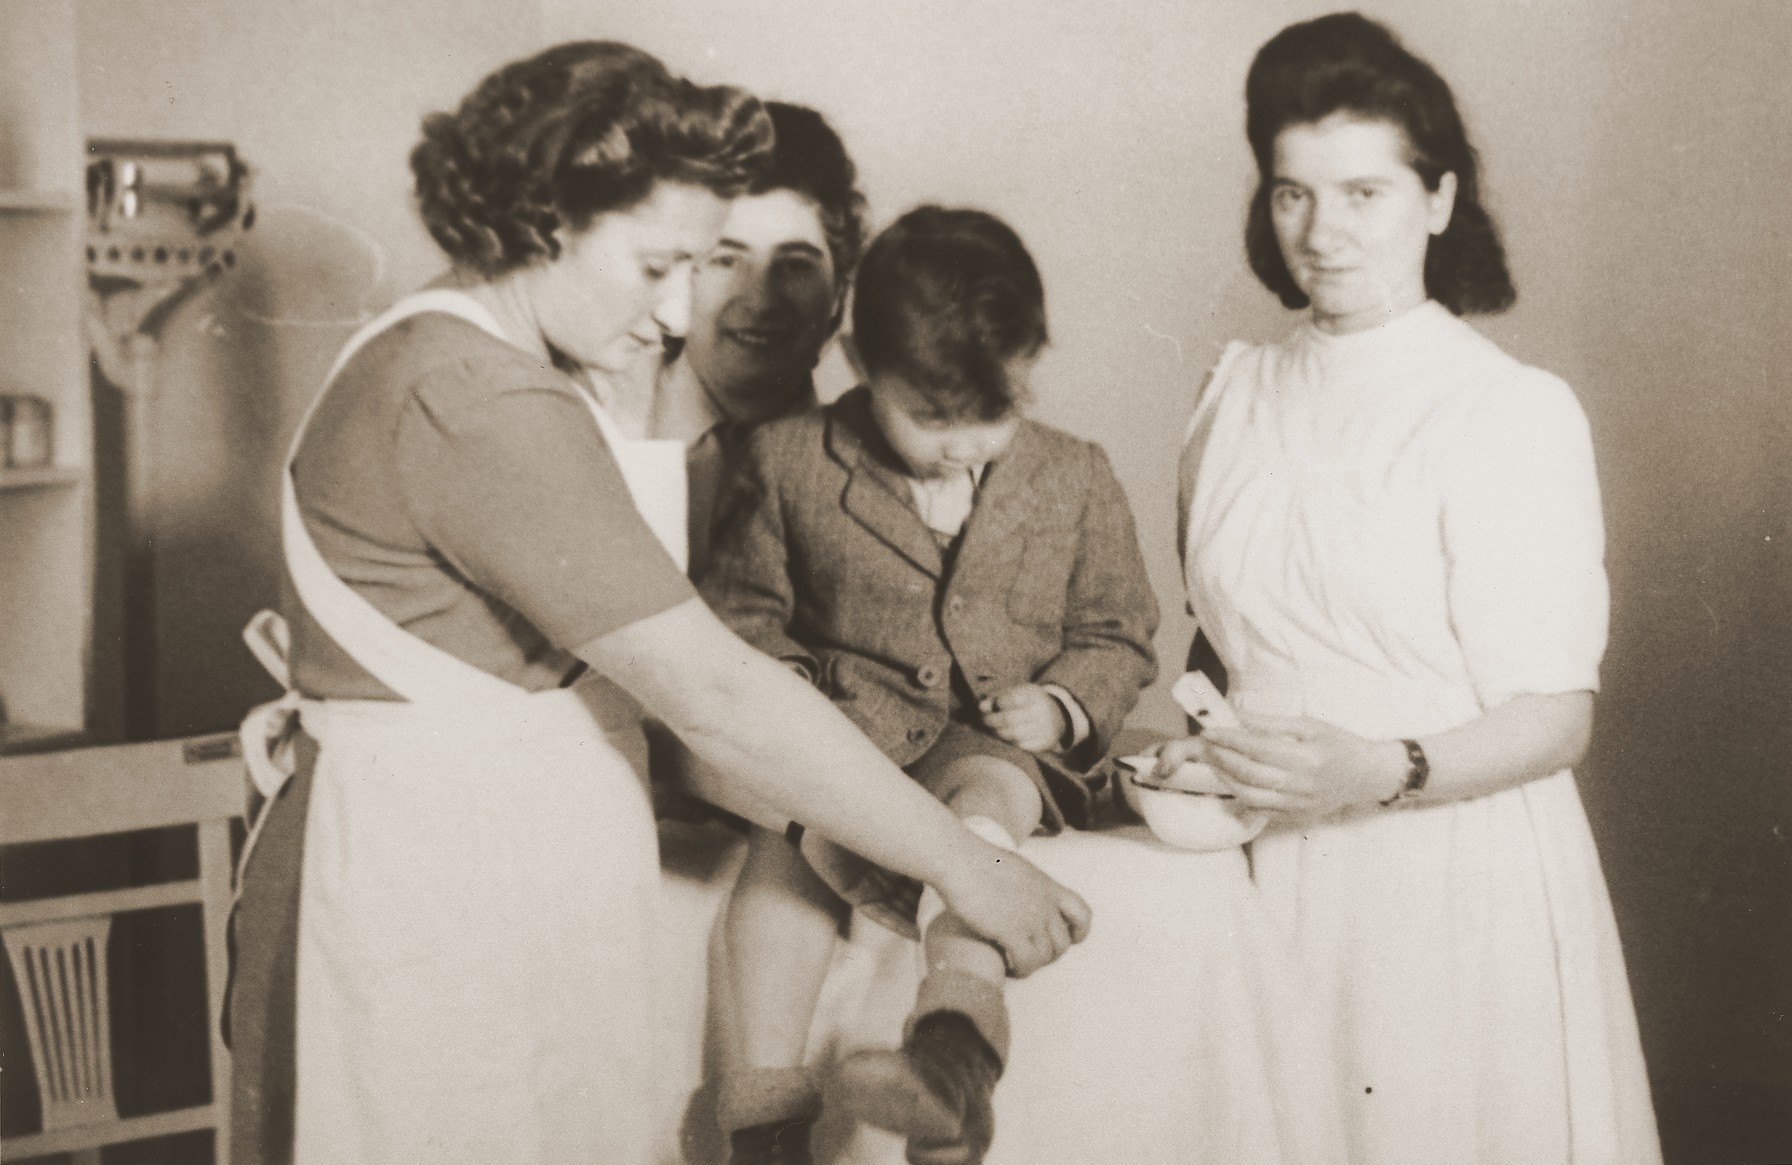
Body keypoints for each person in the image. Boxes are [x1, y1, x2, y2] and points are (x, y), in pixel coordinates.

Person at [226, 42, 1091, 1165]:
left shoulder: (477, 356)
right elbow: (714, 690)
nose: (682, 307)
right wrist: (964, 863)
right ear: (544, 221)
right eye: (655, 266)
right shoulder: (472, 395)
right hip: (435, 899)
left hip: (488, 879)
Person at [1162, 13, 1661, 1164]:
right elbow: (1224, 647)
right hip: (1261, 858)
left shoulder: (1504, 410)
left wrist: (1381, 772)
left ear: (1439, 200)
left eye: (1364, 194)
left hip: (1444, 876)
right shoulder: (1230, 389)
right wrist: (1200, 740)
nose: (1322, 233)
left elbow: (1556, 715)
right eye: (1293, 194)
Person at [701, 205, 1159, 1165]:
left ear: (1031, 362)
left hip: (995, 748)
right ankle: (764, 1117)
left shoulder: (1075, 474)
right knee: (782, 861)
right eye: (932, 419)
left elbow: (1118, 631)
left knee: (981, 816)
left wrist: (1066, 702)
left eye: (994, 416)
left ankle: (952, 1056)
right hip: (842, 744)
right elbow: (743, 620)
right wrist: (799, 714)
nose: (964, 443)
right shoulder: (787, 457)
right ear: (865, 367)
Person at [648, 100, 864, 574]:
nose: (760, 300)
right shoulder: (595, 429)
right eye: (725, 260)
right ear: (678, 275)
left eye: (795, 266)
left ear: (838, 294)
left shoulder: (880, 463)